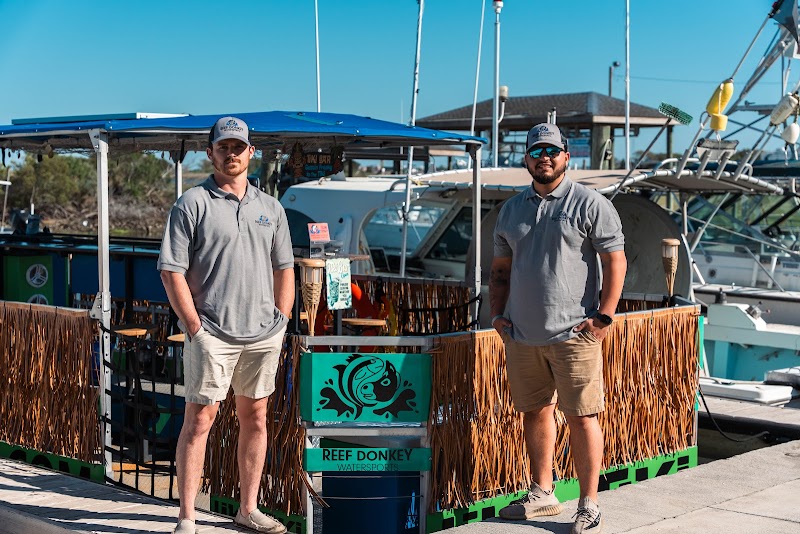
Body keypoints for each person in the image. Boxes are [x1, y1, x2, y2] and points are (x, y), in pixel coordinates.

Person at [158, 116, 295, 534]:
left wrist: (282, 321)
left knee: (256, 417)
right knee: (199, 421)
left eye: (239, 147)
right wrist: (195, 327)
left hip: (262, 334)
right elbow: (170, 271)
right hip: (212, 333)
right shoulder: (191, 204)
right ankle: (187, 517)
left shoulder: (271, 208)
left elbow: (285, 268)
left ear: (251, 153)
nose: (232, 154)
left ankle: (247, 508)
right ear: (210, 152)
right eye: (224, 147)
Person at [491, 123, 627, 534]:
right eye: (536, 151)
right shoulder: (511, 209)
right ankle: (543, 493)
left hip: (575, 333)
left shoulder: (591, 203)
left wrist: (604, 316)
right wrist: (497, 315)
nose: (544, 157)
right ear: (526, 159)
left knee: (583, 416)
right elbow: (499, 269)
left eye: (552, 150)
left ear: (567, 156)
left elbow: (615, 260)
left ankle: (589, 504)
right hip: (522, 333)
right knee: (535, 413)